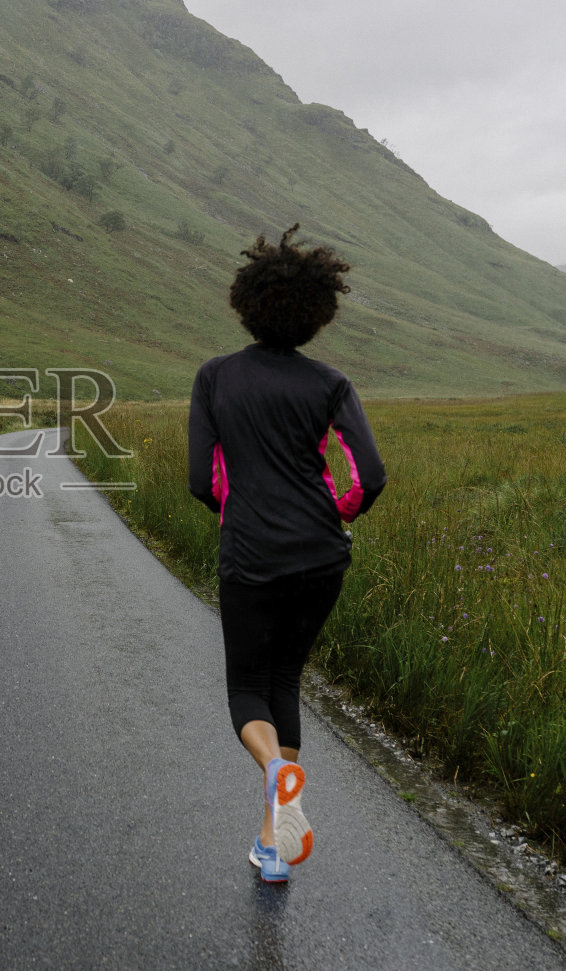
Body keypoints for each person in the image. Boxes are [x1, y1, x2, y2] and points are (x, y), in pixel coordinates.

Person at [188, 225, 386, 883]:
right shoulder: (331, 383)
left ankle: (277, 771)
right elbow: (369, 475)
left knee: (247, 688)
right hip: (323, 557)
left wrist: (237, 511)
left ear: (247, 304)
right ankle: (274, 845)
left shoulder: (215, 377)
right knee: (286, 681)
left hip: (251, 555)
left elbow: (202, 479)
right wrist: (337, 513)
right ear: (316, 315)